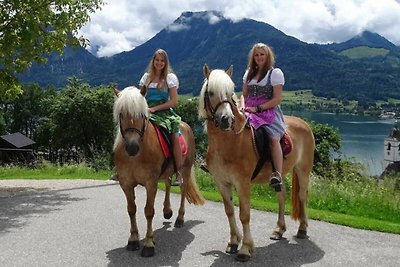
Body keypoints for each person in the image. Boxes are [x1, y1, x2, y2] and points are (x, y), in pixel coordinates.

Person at [240, 43, 286, 190]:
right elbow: (244, 94)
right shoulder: (249, 73)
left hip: (268, 111)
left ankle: (277, 173)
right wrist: (242, 105)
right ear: (253, 57)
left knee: (272, 138)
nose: (259, 57)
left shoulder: (275, 73)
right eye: (257, 55)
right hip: (248, 109)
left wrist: (258, 108)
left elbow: (277, 99)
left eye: (262, 54)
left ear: (268, 56)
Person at [139, 49, 183, 186]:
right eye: (157, 60)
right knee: (131, 127)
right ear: (153, 61)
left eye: (162, 60)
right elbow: (141, 96)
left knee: (174, 133)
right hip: (146, 110)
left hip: (163, 111)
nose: (159, 63)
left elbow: (174, 101)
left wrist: (154, 109)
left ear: (165, 62)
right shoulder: (146, 78)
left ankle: (179, 172)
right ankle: (125, 166)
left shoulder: (170, 78)